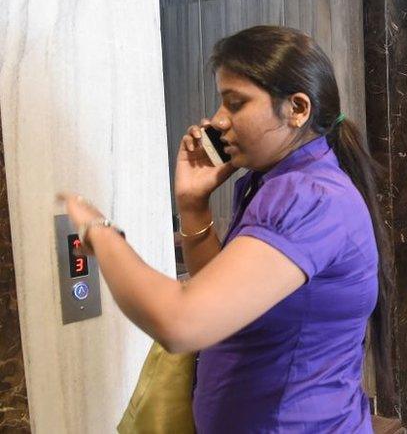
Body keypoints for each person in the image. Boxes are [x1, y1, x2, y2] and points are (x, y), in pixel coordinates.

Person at [59, 25, 385, 433]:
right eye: (221, 102)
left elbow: (181, 324)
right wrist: (193, 205)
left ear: (297, 109)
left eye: (235, 103)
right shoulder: (266, 181)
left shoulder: (309, 198)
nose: (217, 121)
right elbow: (225, 302)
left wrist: (99, 232)